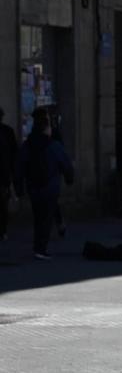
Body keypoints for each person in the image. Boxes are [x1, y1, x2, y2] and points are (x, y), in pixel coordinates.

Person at [13, 108, 73, 260]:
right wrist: (69, 178)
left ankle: (38, 246)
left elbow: (19, 166)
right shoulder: (53, 145)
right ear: (46, 128)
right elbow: (66, 163)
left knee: (38, 216)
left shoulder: (28, 145)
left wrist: (18, 188)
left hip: (33, 186)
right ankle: (40, 248)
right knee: (46, 218)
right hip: (50, 186)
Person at [0, 106, 17, 243]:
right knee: (3, 204)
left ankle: (3, 230)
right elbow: (13, 154)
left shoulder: (7, 132)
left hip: (3, 174)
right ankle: (3, 230)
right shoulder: (7, 131)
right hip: (4, 174)